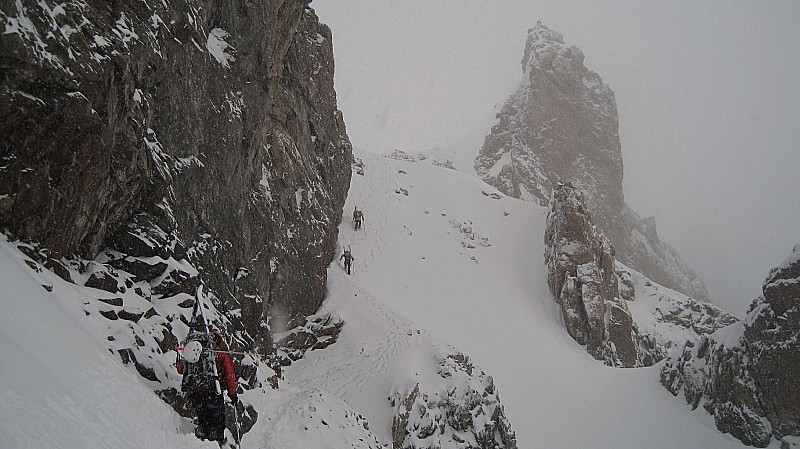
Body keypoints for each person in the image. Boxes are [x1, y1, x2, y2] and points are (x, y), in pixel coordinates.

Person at [177, 329, 237, 442]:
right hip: (213, 393)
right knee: (217, 424)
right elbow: (229, 375)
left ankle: (203, 441)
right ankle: (216, 442)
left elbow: (180, 369)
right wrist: (232, 394)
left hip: (196, 393)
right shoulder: (218, 354)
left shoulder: (195, 351)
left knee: (203, 420)